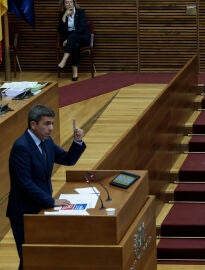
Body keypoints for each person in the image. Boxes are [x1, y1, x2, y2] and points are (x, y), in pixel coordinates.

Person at [7, 105, 86, 270]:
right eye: (47, 124)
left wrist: (77, 141)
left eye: (52, 123)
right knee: (29, 259)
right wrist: (52, 201)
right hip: (25, 213)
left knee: (40, 257)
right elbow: (25, 184)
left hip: (41, 208)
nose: (51, 128)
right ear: (33, 125)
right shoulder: (21, 147)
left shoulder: (46, 141)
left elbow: (67, 159)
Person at [57, 0, 91, 81]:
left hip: (82, 37)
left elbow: (81, 28)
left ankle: (64, 60)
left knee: (73, 37)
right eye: (67, 2)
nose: (69, 4)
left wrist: (68, 39)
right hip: (71, 41)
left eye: (71, 2)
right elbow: (60, 30)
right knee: (75, 46)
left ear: (74, 3)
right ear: (64, 4)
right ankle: (75, 73)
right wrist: (65, 15)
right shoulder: (62, 14)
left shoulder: (81, 12)